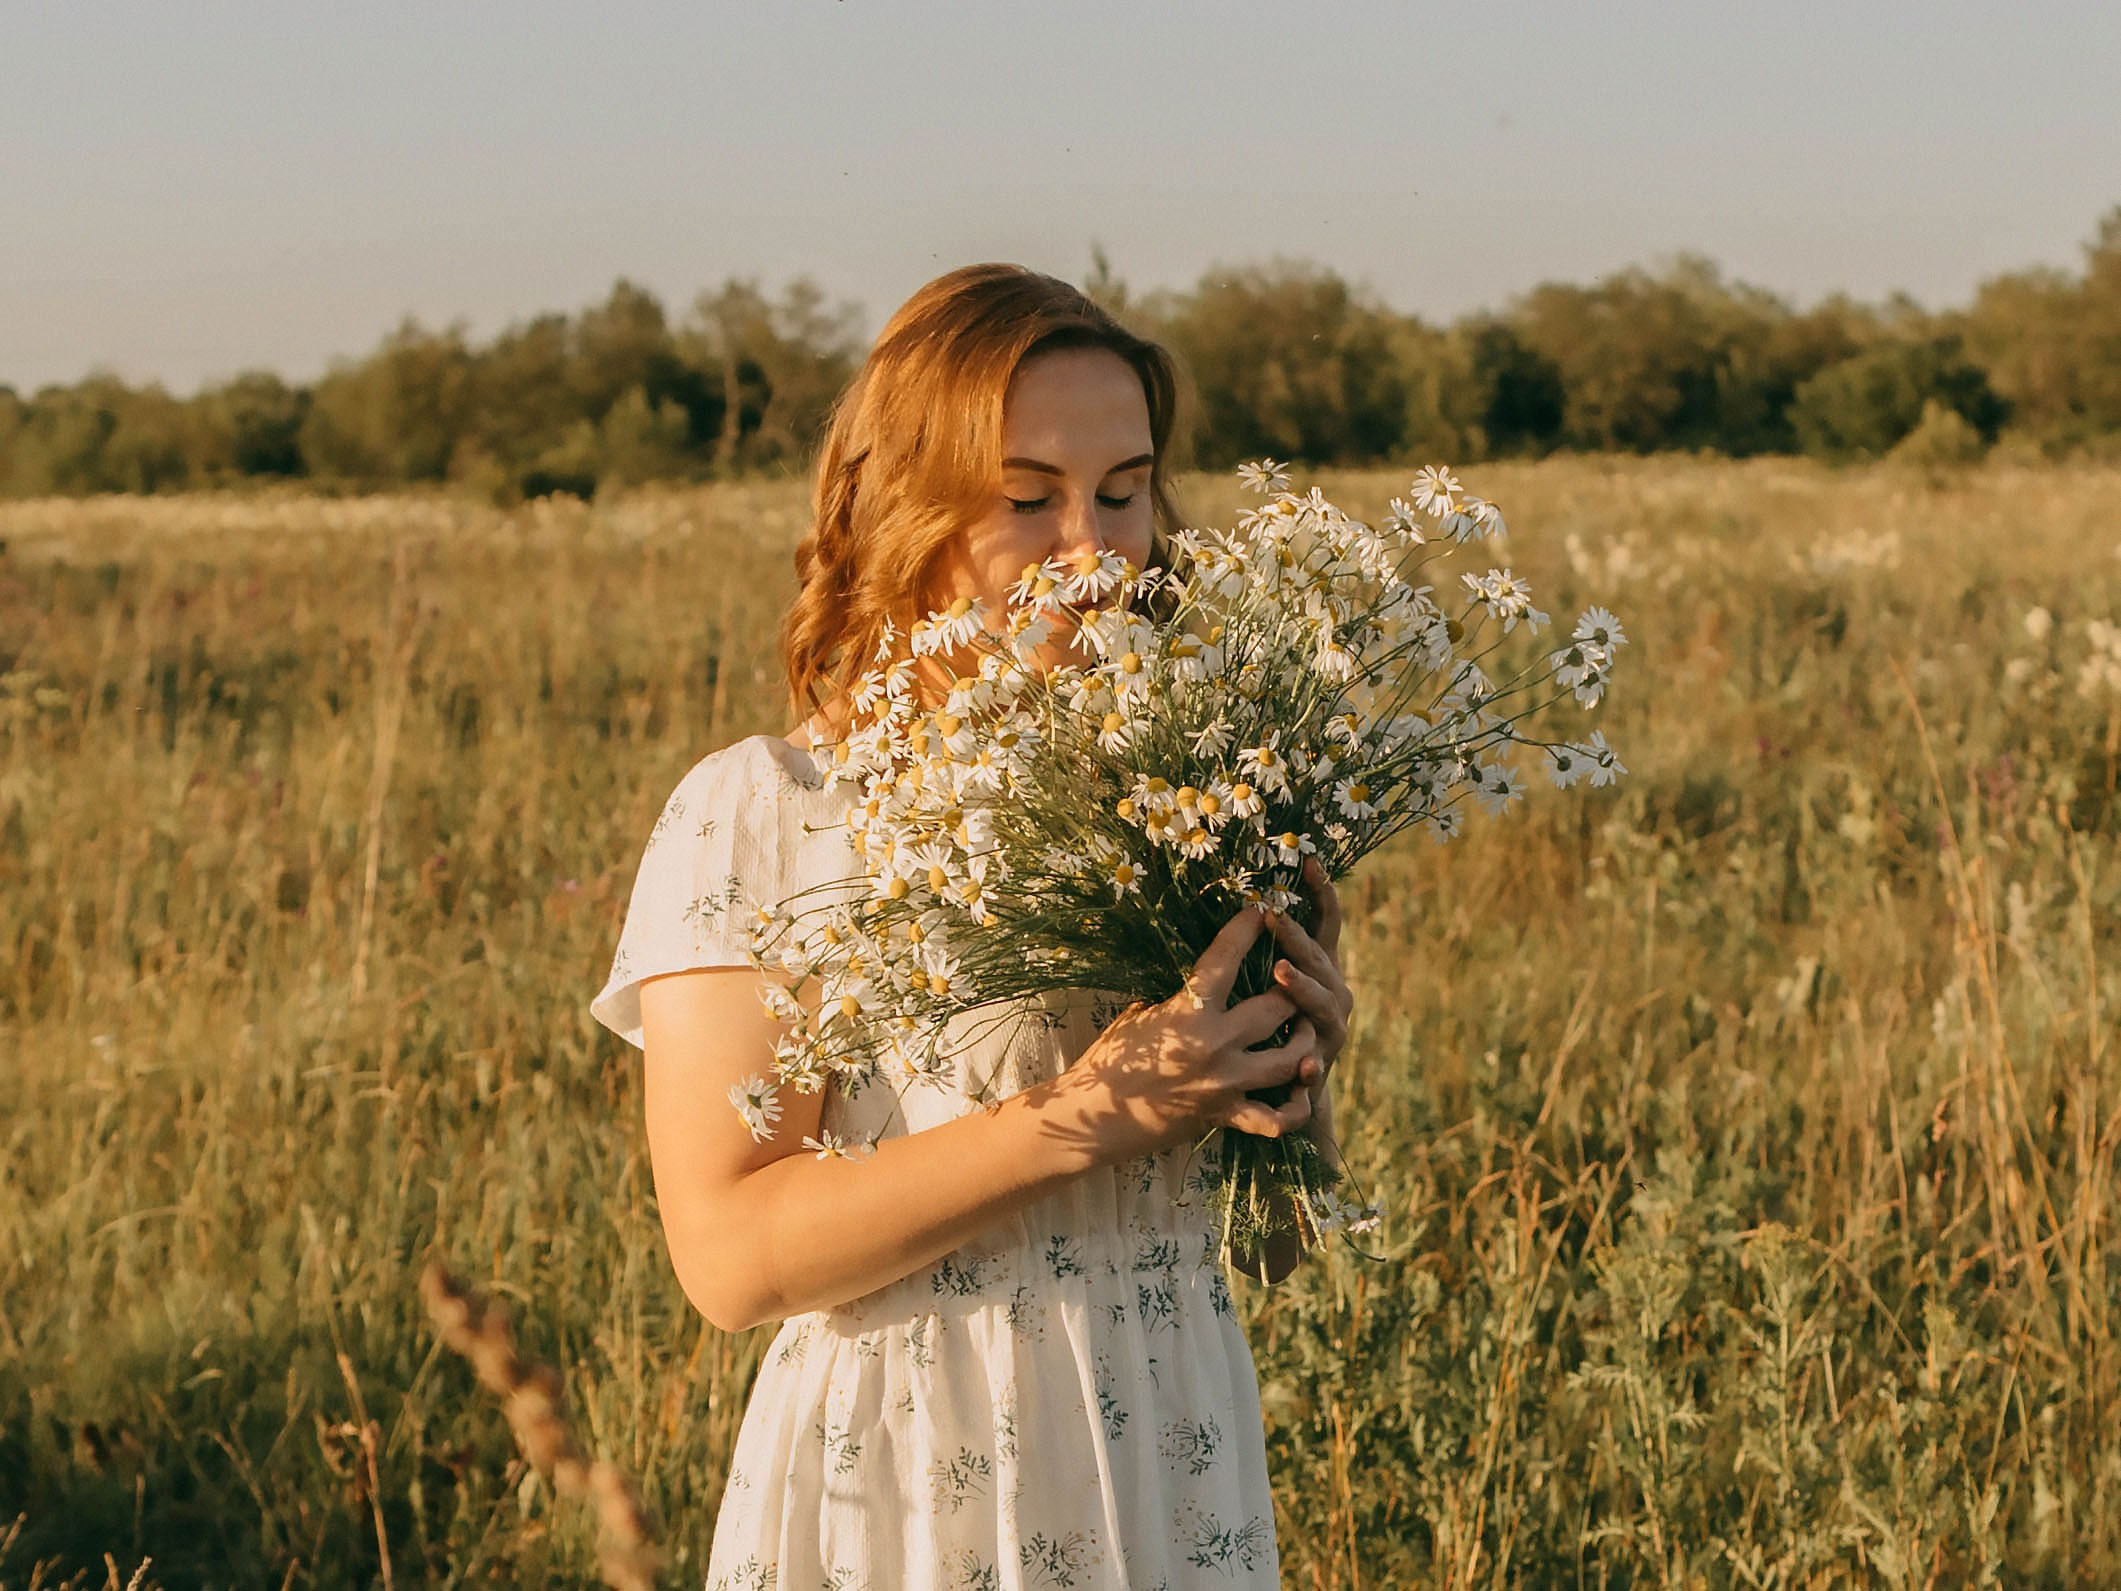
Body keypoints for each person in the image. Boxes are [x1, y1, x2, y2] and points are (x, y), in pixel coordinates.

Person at [590, 263, 1354, 1589]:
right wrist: (1084, 1115)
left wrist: (1291, 1094)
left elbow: (1264, 1250)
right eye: (1026, 499)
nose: (1094, 546)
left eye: (1123, 490)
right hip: (915, 1470)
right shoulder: (771, 811)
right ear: (909, 510)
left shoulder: (1191, 803)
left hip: (1169, 1453)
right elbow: (729, 1257)